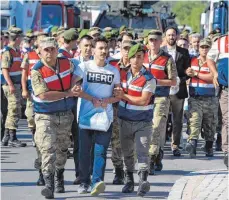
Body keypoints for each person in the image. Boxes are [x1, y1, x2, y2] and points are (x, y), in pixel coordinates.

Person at [73, 36, 120, 196]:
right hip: (86, 117)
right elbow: (75, 88)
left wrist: (108, 100)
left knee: (100, 151)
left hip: (105, 118)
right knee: (84, 151)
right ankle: (84, 182)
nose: (104, 51)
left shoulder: (113, 71)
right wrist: (91, 98)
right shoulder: (83, 67)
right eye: (100, 48)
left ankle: (96, 182)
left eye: (106, 48)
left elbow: (118, 95)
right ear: (93, 50)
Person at [31, 37, 77, 199]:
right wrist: (67, 93)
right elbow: (43, 94)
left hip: (65, 114)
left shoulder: (67, 62)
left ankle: (59, 176)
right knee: (47, 148)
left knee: (62, 149)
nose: (50, 52)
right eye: (46, 50)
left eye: (52, 49)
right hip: (45, 115)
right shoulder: (37, 70)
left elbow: (79, 71)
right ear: (40, 53)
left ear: (57, 50)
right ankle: (48, 183)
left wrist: (75, 83)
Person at [114, 43, 156, 196]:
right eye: (134, 57)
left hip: (142, 122)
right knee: (127, 153)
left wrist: (122, 96)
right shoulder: (122, 74)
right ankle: (129, 181)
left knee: (142, 152)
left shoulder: (149, 78)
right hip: (124, 120)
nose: (137, 60)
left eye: (140, 57)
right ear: (129, 58)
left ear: (144, 58)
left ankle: (143, 181)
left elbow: (143, 101)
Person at [143, 30, 177, 175]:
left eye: (156, 40)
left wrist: (155, 81)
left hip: (161, 98)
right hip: (144, 98)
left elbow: (173, 81)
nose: (153, 42)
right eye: (150, 40)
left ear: (161, 41)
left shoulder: (167, 59)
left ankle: (150, 159)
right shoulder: (142, 56)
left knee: (156, 128)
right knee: (145, 129)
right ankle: (157, 154)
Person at [185, 39, 218, 157]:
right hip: (195, 97)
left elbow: (214, 77)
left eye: (206, 47)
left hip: (210, 99)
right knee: (194, 120)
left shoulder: (214, 62)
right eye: (202, 47)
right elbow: (186, 72)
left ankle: (209, 146)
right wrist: (187, 72)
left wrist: (196, 74)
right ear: (198, 48)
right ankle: (192, 144)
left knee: (210, 125)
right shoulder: (192, 60)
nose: (204, 49)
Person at [161, 26, 191, 156]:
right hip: (163, 91)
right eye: (169, 35)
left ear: (177, 36)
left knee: (177, 120)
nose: (171, 37)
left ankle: (175, 146)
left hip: (179, 90)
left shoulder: (184, 52)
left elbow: (188, 71)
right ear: (165, 37)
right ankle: (160, 147)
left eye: (173, 35)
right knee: (162, 119)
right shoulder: (160, 52)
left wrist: (181, 79)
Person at [109, 40, 132, 185]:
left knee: (130, 142)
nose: (127, 52)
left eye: (130, 49)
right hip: (117, 108)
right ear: (120, 50)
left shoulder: (138, 68)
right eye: (125, 49)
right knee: (116, 141)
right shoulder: (113, 67)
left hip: (133, 108)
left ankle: (129, 170)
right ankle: (118, 171)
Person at [72, 34, 93, 185]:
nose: (88, 49)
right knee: (78, 142)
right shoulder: (72, 63)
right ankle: (79, 173)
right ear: (79, 46)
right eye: (85, 45)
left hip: (93, 107)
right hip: (76, 107)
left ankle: (90, 173)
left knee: (92, 143)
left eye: (91, 46)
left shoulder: (97, 64)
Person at [1, 27, 27, 147]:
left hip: (16, 84)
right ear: (16, 39)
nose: (22, 39)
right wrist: (10, 85)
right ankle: (12, 137)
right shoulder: (8, 51)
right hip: (11, 85)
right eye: (21, 37)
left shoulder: (16, 50)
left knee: (13, 110)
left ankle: (7, 136)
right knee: (14, 110)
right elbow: (5, 69)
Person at [206, 34, 228, 167]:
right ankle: (227, 151)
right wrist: (214, 73)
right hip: (226, 89)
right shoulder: (222, 42)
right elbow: (210, 58)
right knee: (228, 119)